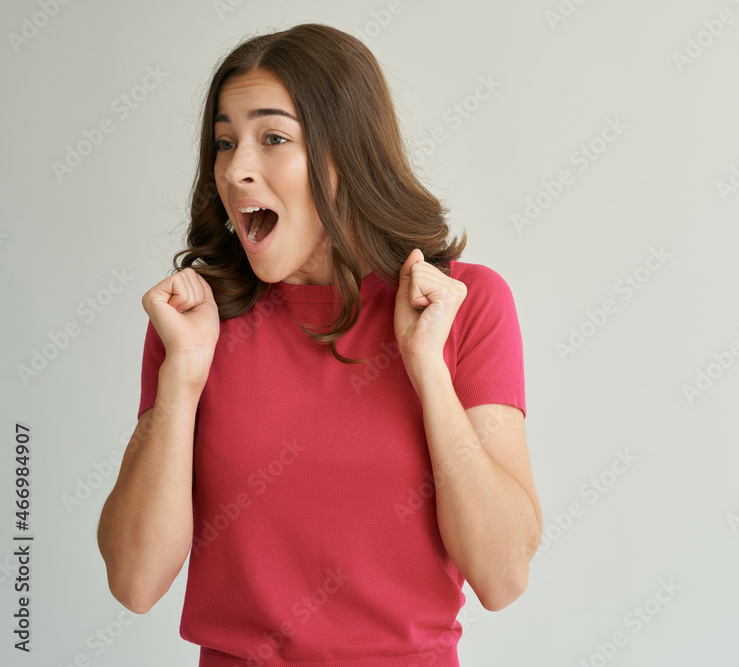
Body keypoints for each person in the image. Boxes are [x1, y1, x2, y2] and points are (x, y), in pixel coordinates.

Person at [96, 22, 542, 666]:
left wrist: (427, 370)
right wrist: (182, 379)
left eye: (273, 138)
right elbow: (134, 581)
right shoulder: (195, 322)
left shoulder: (461, 304)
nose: (236, 169)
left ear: (347, 154)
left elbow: (502, 577)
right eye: (224, 143)